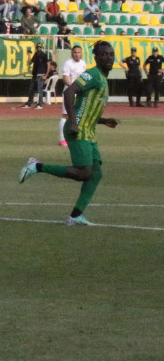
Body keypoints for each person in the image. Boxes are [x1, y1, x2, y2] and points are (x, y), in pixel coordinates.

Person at [19, 41, 120, 226]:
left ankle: (75, 216)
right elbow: (69, 92)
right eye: (104, 54)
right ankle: (37, 167)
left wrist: (104, 121)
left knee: (95, 174)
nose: (109, 57)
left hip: (88, 130)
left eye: (111, 54)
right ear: (97, 58)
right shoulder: (93, 74)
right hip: (78, 129)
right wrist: (73, 122)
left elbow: (87, 107)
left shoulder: (103, 78)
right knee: (84, 173)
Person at [58, 45, 87, 146]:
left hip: (80, 92)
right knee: (66, 115)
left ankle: (77, 135)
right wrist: (73, 88)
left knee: (79, 114)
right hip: (70, 92)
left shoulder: (83, 63)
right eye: (75, 52)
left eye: (79, 52)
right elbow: (66, 79)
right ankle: (62, 139)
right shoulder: (68, 63)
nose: (77, 54)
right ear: (72, 53)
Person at [23, 42, 49, 109]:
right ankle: (30, 103)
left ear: (42, 48)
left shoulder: (44, 55)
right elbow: (30, 62)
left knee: (39, 90)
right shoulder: (36, 54)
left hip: (40, 74)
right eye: (38, 47)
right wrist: (29, 54)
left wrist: (46, 75)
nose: (39, 48)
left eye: (40, 47)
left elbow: (48, 65)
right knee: (31, 89)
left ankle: (40, 104)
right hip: (35, 74)